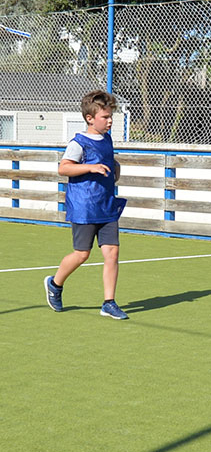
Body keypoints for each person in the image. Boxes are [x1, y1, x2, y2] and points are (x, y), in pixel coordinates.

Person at [44, 90, 129, 320]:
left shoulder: (108, 139)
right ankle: (55, 283)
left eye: (111, 116)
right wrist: (91, 167)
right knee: (82, 254)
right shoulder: (78, 143)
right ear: (90, 118)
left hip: (107, 205)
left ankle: (109, 303)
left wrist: (115, 167)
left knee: (112, 253)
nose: (110, 120)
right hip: (84, 206)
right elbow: (64, 168)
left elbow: (108, 161)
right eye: (105, 117)